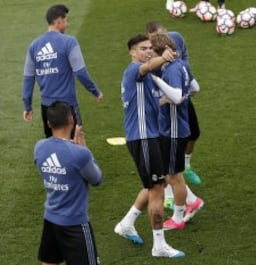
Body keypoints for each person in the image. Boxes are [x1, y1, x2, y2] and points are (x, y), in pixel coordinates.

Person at [113, 34, 185, 258]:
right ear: (132, 52)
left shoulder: (146, 78)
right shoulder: (135, 70)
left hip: (148, 137)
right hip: (143, 138)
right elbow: (148, 67)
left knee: (156, 184)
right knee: (157, 191)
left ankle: (127, 223)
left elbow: (156, 99)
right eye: (143, 48)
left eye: (150, 49)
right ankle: (159, 245)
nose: (147, 52)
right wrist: (163, 58)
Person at [145, 22, 204, 217]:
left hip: (172, 129)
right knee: (170, 171)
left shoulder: (169, 70)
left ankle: (185, 209)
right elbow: (195, 89)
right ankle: (188, 203)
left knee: (172, 174)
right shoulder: (182, 66)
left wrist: (158, 84)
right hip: (179, 125)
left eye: (151, 52)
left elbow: (177, 96)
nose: (149, 56)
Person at [34, 101, 102, 265]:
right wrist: (85, 148)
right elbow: (97, 179)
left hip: (50, 219)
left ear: (49, 123)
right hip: (75, 223)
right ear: (71, 120)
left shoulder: (39, 147)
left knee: (49, 262)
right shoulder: (80, 154)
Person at [22, 4, 103, 138]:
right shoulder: (69, 42)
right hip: (67, 106)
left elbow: (28, 77)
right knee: (76, 143)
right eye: (66, 21)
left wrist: (27, 106)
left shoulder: (34, 46)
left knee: (53, 144)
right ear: (58, 20)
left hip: (47, 108)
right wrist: (95, 91)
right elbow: (80, 71)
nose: (67, 24)